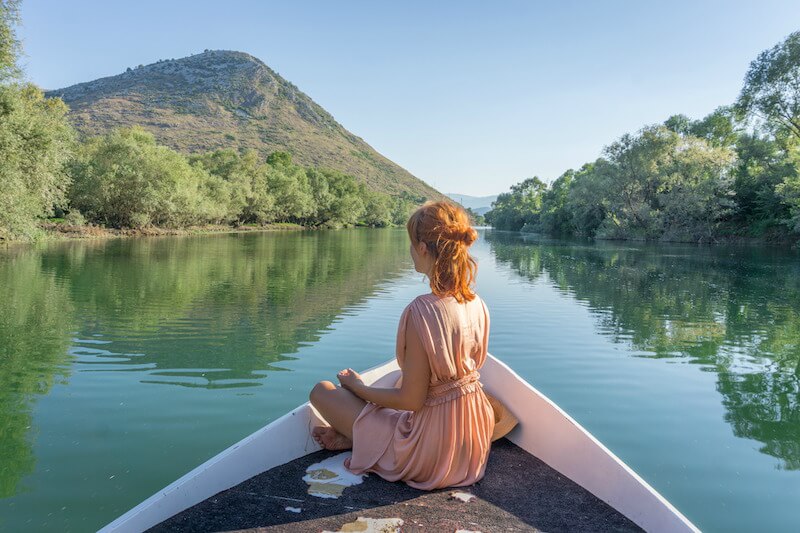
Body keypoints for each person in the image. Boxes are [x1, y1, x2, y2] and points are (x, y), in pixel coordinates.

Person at [309, 200, 494, 490]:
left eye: (410, 244)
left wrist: (359, 388)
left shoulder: (422, 310)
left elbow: (411, 401)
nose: (409, 252)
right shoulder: (477, 303)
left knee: (323, 391)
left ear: (422, 248)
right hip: (471, 442)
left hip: (430, 454)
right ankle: (353, 438)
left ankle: (361, 440)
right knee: (398, 379)